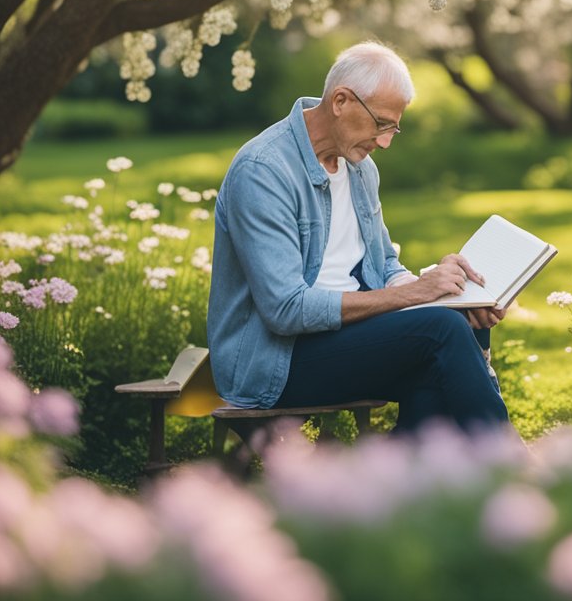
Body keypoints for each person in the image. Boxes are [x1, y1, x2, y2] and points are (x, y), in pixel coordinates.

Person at [206, 41, 510, 433]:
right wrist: (415, 294)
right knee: (442, 331)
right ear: (341, 101)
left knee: (463, 321)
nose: (384, 141)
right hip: (274, 363)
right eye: (380, 124)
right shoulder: (263, 171)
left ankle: (397, 482)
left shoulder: (359, 168)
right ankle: (512, 466)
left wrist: (446, 290)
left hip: (348, 340)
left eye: (393, 128)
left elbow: (383, 264)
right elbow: (285, 309)